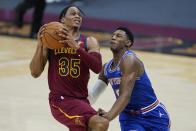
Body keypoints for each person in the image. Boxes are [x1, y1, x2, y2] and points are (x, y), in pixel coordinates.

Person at [30, 6, 109, 131]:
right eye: (72, 14)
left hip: (82, 100)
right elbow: (35, 72)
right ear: (62, 20)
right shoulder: (51, 42)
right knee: (100, 123)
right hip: (61, 100)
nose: (77, 16)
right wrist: (40, 45)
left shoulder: (89, 41)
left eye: (79, 14)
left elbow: (97, 67)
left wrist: (76, 48)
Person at [88, 26, 171, 131]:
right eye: (113, 35)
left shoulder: (130, 59)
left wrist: (108, 117)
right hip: (129, 118)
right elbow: (93, 95)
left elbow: (125, 96)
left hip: (151, 113)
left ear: (128, 43)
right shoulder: (106, 68)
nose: (113, 37)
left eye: (118, 36)